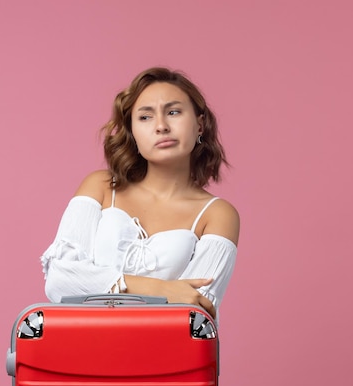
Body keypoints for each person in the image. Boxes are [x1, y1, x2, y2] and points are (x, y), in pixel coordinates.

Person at [41, 67, 239, 322]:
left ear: (199, 124)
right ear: (132, 131)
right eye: (145, 117)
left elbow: (195, 313)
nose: (161, 126)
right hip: (82, 353)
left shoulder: (218, 214)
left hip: (169, 358)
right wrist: (161, 289)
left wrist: (99, 283)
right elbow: (59, 280)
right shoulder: (100, 187)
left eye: (174, 112)